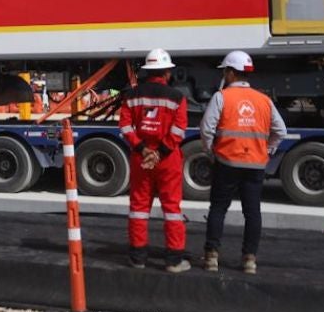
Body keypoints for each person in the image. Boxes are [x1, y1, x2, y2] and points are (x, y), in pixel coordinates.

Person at [199, 50, 286, 275]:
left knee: (218, 208)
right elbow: (281, 130)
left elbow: (207, 128)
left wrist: (210, 151)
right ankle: (249, 260)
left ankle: (211, 257)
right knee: (252, 212)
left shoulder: (222, 97)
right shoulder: (264, 100)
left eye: (225, 72)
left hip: (226, 162)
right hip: (255, 165)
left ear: (230, 73)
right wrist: (267, 149)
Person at [119, 48, 189, 272]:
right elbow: (178, 131)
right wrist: (160, 153)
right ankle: (174, 260)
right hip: (167, 159)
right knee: (171, 208)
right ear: (167, 73)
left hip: (141, 158)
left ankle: (138, 258)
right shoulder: (177, 97)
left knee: (139, 207)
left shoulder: (131, 96)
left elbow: (126, 127)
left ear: (147, 72)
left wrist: (142, 149)